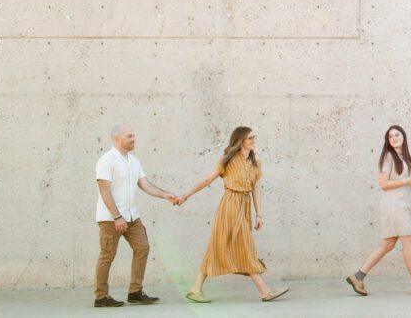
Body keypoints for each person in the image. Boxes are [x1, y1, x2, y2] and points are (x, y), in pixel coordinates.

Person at [179, 126, 288, 302]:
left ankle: (195, 289)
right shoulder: (228, 161)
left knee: (219, 246)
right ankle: (265, 291)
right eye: (250, 138)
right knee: (244, 246)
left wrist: (259, 214)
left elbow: (256, 190)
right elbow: (207, 180)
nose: (254, 140)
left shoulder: (255, 164)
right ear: (240, 141)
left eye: (254, 137)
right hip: (229, 206)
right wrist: (185, 196)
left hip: (244, 208)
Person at [346, 125, 411, 296]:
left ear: (404, 136)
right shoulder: (388, 157)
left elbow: (407, 183)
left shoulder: (404, 158)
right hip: (394, 206)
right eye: (390, 136)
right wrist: (406, 180)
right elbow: (384, 184)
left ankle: (357, 276)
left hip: (398, 205)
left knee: (387, 244)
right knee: (408, 242)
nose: (394, 137)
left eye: (397, 134)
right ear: (387, 141)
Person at [94, 124, 179, 308]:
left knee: (142, 248)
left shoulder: (134, 161)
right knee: (107, 256)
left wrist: (165, 195)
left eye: (134, 136)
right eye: (130, 136)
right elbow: (104, 190)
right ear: (117, 139)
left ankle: (135, 292)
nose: (134, 139)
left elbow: (146, 185)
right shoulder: (106, 160)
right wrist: (117, 217)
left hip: (132, 217)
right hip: (111, 218)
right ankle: (101, 297)